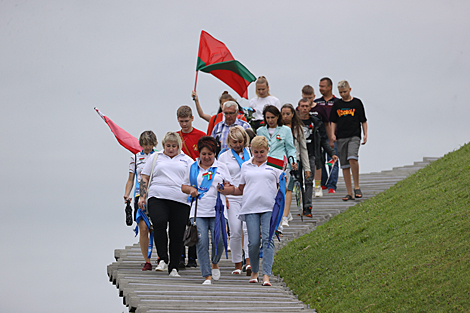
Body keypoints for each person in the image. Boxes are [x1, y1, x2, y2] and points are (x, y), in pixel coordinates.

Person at [138, 132, 193, 277]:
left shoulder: (187, 160)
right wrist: (142, 196)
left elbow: (194, 179)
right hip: (158, 195)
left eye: (174, 146)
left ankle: (174, 266)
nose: (171, 149)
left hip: (180, 199)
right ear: (163, 146)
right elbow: (145, 176)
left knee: (177, 233)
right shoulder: (155, 157)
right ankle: (163, 258)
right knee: (159, 222)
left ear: (179, 146)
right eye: (168, 146)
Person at [181, 136, 234, 285]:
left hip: (217, 211)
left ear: (214, 153)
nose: (206, 157)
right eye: (203, 154)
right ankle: (207, 275)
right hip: (198, 211)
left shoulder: (221, 167)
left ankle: (215, 262)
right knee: (202, 241)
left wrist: (224, 189)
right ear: (199, 153)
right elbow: (183, 186)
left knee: (220, 240)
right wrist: (191, 189)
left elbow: (231, 187)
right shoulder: (192, 167)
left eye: (209, 154)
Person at [231, 136, 283, 286]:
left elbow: (282, 188)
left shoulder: (275, 165)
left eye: (262, 152)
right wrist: (226, 190)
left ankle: (266, 274)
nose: (259, 155)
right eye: (256, 152)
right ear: (251, 151)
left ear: (267, 150)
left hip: (269, 208)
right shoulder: (246, 166)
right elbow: (241, 188)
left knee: (268, 240)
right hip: (251, 207)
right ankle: (254, 271)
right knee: (253, 242)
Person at [218, 126, 251, 275]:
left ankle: (249, 262)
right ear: (229, 142)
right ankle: (237, 264)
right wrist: (224, 196)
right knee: (236, 230)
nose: (237, 145)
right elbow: (220, 177)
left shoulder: (250, 153)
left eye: (240, 141)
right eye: (234, 142)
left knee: (248, 229)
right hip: (231, 197)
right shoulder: (223, 157)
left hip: (249, 196)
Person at [123, 131, 157, 271]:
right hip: (139, 196)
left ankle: (161, 256)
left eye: (150, 144)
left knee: (158, 227)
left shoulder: (159, 156)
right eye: (144, 144)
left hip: (156, 195)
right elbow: (131, 179)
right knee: (143, 228)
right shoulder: (135, 158)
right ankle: (147, 260)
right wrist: (127, 194)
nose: (147, 147)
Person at [298, 98, 338, 217]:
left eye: (306, 106)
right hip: (298, 155)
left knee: (309, 181)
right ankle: (302, 204)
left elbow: (322, 140)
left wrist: (331, 153)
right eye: (302, 106)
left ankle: (308, 207)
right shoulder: (295, 123)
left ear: (310, 107)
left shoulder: (316, 122)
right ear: (299, 107)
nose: (304, 108)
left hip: (311, 154)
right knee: (299, 181)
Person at [176, 105, 205, 268]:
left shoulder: (200, 136)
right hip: (182, 182)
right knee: (180, 220)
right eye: (181, 122)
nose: (184, 125)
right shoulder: (176, 137)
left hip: (198, 183)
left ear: (192, 119)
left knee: (194, 222)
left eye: (186, 121)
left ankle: (193, 257)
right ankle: (180, 256)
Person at [329, 80, 368, 201]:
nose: (343, 94)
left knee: (352, 158)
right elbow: (333, 121)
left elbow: (363, 120)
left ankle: (357, 186)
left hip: (354, 135)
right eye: (341, 92)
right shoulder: (337, 105)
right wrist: (332, 135)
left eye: (345, 91)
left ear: (350, 89)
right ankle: (349, 192)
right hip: (341, 137)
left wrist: (365, 134)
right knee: (344, 165)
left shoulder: (357, 103)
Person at [280, 104, 310, 226]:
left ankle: (285, 215)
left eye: (288, 113)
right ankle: (285, 211)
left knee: (289, 187)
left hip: (293, 162)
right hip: (279, 162)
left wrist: (307, 168)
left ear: (293, 114)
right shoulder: (278, 128)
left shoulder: (298, 129)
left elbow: (303, 149)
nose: (286, 116)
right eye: (283, 114)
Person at [302, 85, 329, 197]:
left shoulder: (319, 109)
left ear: (314, 96)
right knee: (305, 164)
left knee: (318, 164)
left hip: (317, 140)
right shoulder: (299, 110)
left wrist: (329, 137)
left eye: (310, 98)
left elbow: (326, 123)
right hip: (304, 142)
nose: (308, 101)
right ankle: (306, 185)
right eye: (305, 98)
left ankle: (318, 186)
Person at [314, 78, 340, 194]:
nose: (321, 89)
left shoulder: (337, 102)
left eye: (323, 86)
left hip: (334, 136)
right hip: (319, 136)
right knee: (320, 160)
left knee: (332, 159)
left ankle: (332, 184)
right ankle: (323, 182)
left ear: (330, 87)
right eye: (319, 86)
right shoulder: (317, 103)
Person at [256, 105, 297, 170]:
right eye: (268, 117)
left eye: (272, 117)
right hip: (264, 164)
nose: (270, 120)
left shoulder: (286, 130)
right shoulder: (260, 131)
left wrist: (293, 161)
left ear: (277, 117)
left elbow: (290, 148)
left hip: (280, 164)